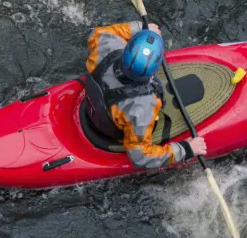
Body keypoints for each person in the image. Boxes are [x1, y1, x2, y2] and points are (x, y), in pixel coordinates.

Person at [82, 21, 208, 169]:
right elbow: (140, 156)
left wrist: (139, 28)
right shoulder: (142, 108)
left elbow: (96, 33)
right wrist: (186, 149)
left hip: (94, 107)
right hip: (111, 130)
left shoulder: (108, 45)